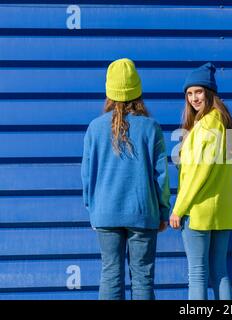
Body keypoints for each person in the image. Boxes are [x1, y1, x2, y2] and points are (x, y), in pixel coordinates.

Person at [81, 58, 170, 300]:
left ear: (109, 91)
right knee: (142, 279)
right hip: (142, 213)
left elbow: (87, 175)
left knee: (110, 274)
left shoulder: (95, 128)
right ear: (137, 91)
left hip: (105, 212)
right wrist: (163, 211)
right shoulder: (151, 127)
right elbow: (161, 176)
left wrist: (92, 208)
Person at [169, 62, 232, 300]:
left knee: (197, 274)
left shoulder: (207, 125)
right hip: (222, 212)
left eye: (198, 92)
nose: (193, 98)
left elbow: (198, 173)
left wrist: (178, 208)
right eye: (189, 93)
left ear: (209, 92)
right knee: (220, 273)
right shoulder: (223, 123)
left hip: (199, 211)